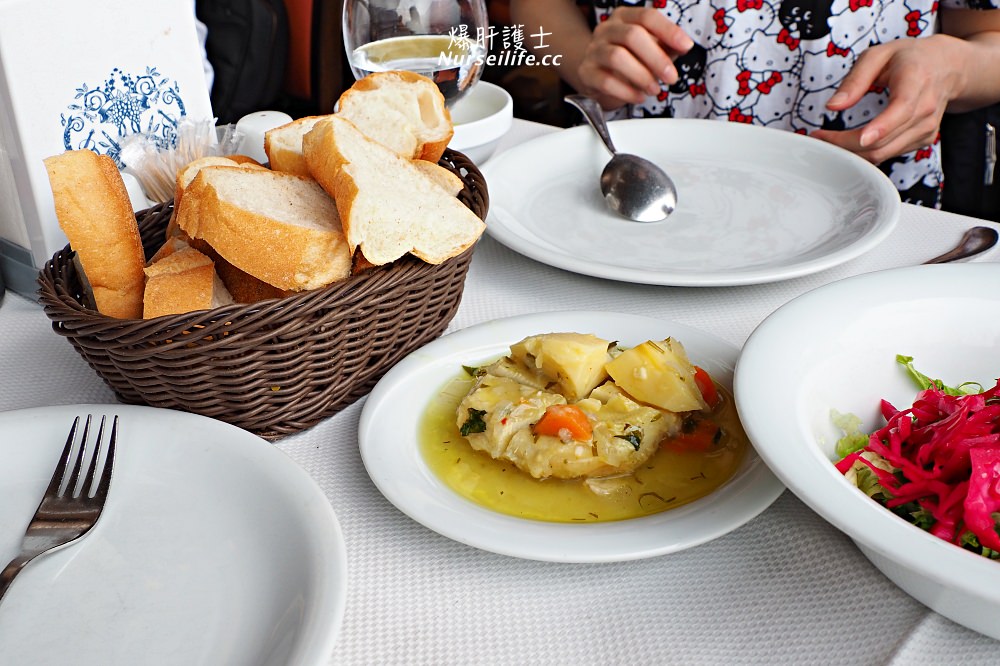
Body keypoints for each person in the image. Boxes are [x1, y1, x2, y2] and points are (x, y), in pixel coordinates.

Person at [509, 0, 1000, 207]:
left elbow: (986, 35)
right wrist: (582, 58)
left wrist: (950, 68)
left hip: (867, 192)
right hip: (638, 184)